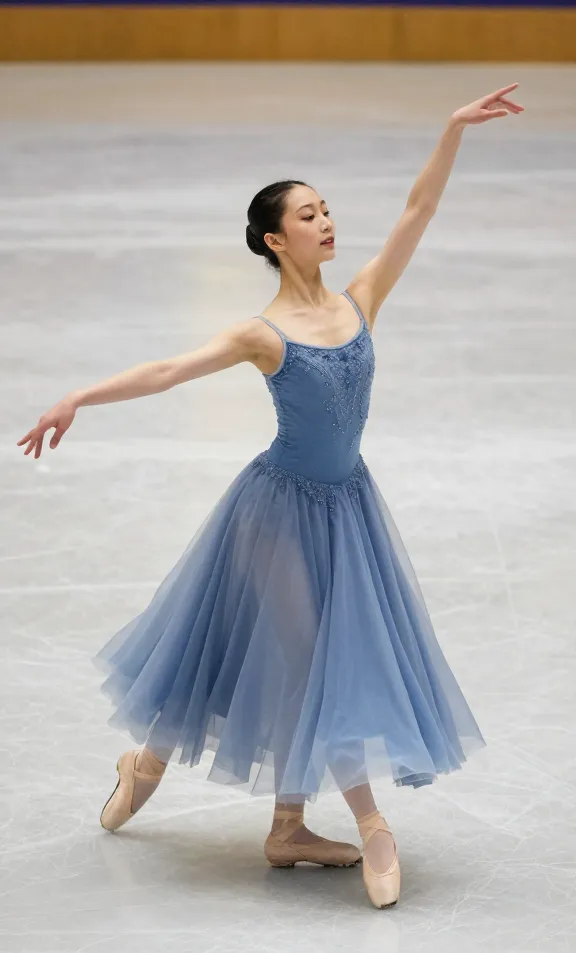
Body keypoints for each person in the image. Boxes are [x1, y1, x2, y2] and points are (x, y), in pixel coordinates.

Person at [17, 83, 523, 909]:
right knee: (312, 658)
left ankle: (268, 820)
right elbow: (168, 370)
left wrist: (452, 128)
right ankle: (371, 825)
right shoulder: (263, 333)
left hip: (347, 508)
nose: (326, 221)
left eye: (327, 209)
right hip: (275, 516)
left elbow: (418, 211)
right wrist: (79, 396)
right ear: (275, 240)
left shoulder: (361, 299)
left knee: (297, 666)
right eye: (308, 214)